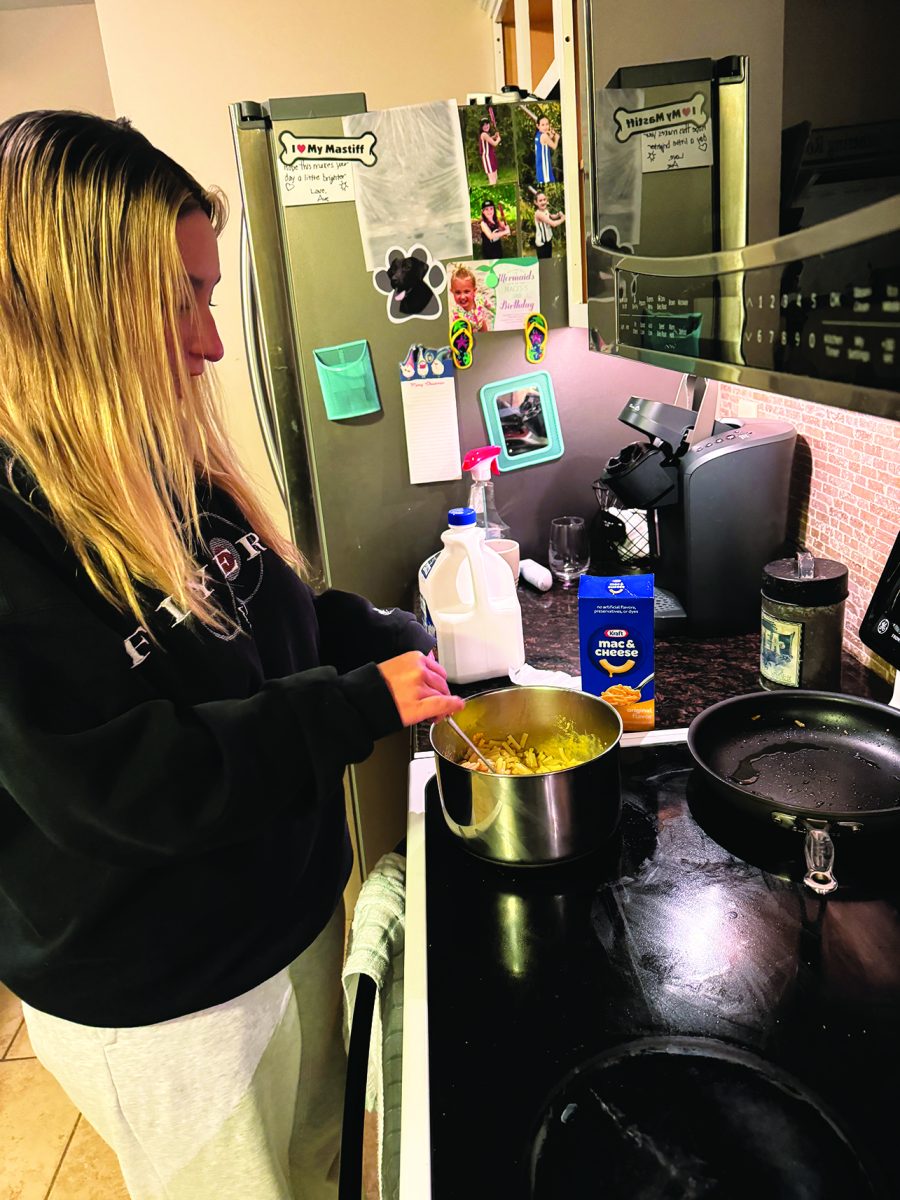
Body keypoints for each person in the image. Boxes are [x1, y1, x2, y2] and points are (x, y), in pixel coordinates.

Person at [0, 109, 464, 1200]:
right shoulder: (17, 527)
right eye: (181, 300)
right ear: (72, 307)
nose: (211, 342)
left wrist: (395, 641)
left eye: (211, 296)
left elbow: (270, 618)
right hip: (172, 1001)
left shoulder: (159, 462)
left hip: (284, 916)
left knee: (315, 1171)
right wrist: (353, 708)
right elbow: (119, 784)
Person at [449, 265, 492, 332]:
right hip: (470, 331)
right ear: (452, 292)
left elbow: (488, 303)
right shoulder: (457, 314)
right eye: (458, 292)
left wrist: (493, 309)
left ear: (474, 291)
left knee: (484, 328)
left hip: (481, 323)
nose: (462, 297)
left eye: (466, 291)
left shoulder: (478, 299)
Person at [533, 190, 566, 259]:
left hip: (548, 241)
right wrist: (563, 219)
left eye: (544, 199)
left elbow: (551, 216)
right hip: (541, 244)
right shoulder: (538, 214)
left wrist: (557, 215)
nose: (543, 202)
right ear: (536, 202)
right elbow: (553, 224)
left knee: (549, 259)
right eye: (540, 200)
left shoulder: (545, 210)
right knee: (544, 264)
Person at [478, 118, 501, 186]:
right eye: (483, 125)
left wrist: (495, 136)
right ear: (481, 127)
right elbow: (494, 143)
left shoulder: (486, 134)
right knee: (492, 180)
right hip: (487, 158)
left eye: (487, 124)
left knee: (496, 178)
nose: (486, 126)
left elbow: (489, 139)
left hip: (491, 157)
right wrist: (498, 139)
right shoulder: (484, 134)